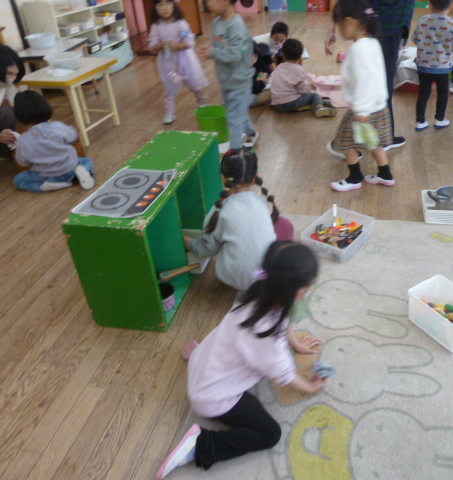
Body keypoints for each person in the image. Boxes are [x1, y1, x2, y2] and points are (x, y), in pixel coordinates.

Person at [155, 241, 327, 479]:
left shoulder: (258, 292)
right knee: (270, 434)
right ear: (298, 292)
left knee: (237, 346)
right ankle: (201, 445)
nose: (311, 287)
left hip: (204, 362)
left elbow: (283, 318)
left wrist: (296, 343)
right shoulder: (267, 337)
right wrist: (309, 387)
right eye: (309, 284)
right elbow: (285, 374)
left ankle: (200, 357)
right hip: (212, 398)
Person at [325, 0, 416, 153]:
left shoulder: (363, 42)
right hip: (386, 24)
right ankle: (363, 141)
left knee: (376, 83)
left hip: (385, 24)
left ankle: (376, 138)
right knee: (377, 82)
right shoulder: (363, 44)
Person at [183, 148, 278, 291]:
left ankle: (239, 279)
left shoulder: (220, 211)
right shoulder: (262, 204)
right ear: (254, 179)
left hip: (239, 279)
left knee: (220, 241)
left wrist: (186, 241)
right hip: (264, 276)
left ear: (224, 178)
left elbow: (205, 249)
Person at [329, 0, 395, 192]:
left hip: (363, 108)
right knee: (374, 142)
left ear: (350, 21)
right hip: (378, 104)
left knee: (345, 142)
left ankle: (355, 177)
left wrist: (361, 110)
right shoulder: (373, 42)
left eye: (340, 25)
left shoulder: (359, 48)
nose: (340, 30)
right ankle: (385, 174)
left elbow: (364, 79)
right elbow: (377, 75)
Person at [197, 0, 258, 150]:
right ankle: (252, 132)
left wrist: (213, 52)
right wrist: (211, 50)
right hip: (226, 79)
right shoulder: (217, 22)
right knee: (237, 112)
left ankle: (235, 154)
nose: (207, 4)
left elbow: (235, 55)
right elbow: (221, 46)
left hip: (240, 81)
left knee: (234, 120)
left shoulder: (236, 26)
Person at [12, 91, 95, 193]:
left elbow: (23, 162)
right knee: (87, 161)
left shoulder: (23, 140)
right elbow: (74, 136)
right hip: (70, 168)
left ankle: (44, 187)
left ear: (18, 115)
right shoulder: (57, 126)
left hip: (45, 175)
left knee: (18, 180)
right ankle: (82, 171)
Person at [149, 0, 209, 125]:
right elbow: (152, 46)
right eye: (160, 5)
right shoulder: (156, 26)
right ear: (155, 8)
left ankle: (203, 103)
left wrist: (177, 45)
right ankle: (170, 112)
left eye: (167, 4)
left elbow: (189, 41)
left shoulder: (181, 23)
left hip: (185, 60)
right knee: (169, 87)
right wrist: (161, 45)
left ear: (174, 5)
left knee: (194, 83)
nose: (164, 8)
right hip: (167, 62)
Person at [412, 0, 453, 130]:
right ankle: (440, 119)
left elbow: (414, 39)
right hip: (443, 67)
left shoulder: (423, 20)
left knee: (423, 93)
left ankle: (420, 121)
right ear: (452, 4)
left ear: (430, 4)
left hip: (423, 65)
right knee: (443, 93)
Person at [270, 39, 336, 118]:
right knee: (314, 95)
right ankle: (319, 108)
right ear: (301, 57)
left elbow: (273, 80)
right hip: (291, 103)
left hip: (277, 105)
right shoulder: (299, 69)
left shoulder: (279, 67)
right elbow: (302, 90)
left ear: (283, 55)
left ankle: (317, 102)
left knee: (305, 98)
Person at [250, 41, 272, 107]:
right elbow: (255, 89)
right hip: (249, 99)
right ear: (255, 56)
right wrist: (262, 82)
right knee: (274, 91)